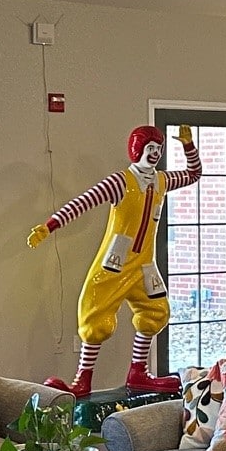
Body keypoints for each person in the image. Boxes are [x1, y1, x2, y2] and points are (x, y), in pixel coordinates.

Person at [29, 124, 201, 397]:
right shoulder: (120, 182)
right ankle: (82, 380)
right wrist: (48, 226)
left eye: (159, 148)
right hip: (114, 264)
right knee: (94, 315)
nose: (155, 153)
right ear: (137, 150)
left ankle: (138, 372)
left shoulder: (161, 182)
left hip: (144, 266)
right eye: (150, 148)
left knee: (156, 311)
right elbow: (82, 203)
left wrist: (188, 146)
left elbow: (194, 174)